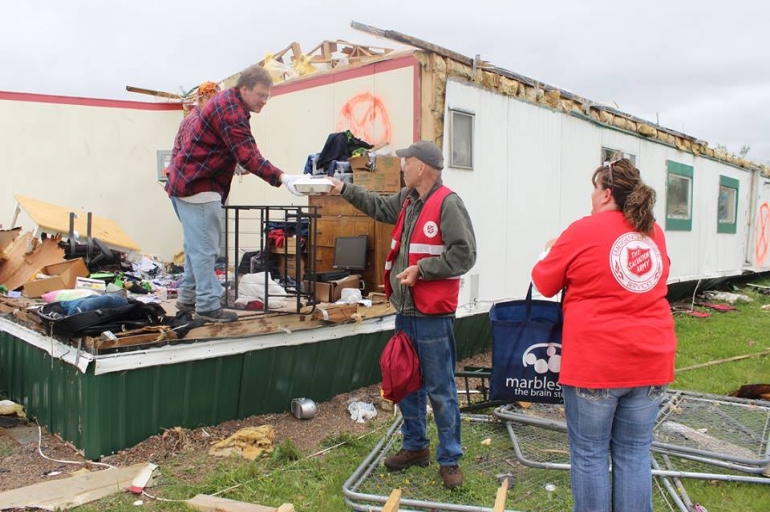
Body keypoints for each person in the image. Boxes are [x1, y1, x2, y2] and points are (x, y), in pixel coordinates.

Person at [328, 140, 477, 489]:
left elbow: (465, 255)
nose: (403, 167)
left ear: (422, 167)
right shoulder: (409, 200)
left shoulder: (448, 204)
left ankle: (450, 459)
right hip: (407, 312)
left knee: (440, 390)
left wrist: (422, 270)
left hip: (433, 315)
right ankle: (415, 447)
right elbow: (380, 206)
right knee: (407, 380)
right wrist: (344, 189)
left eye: (406, 162)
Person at [531, 159, 677, 512]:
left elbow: (544, 281)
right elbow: (660, 279)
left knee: (590, 454)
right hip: (651, 360)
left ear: (606, 193)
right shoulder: (653, 232)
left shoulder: (582, 230)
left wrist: (551, 250)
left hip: (596, 365)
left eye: (594, 190)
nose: (592, 197)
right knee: (634, 452)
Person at [165, 65, 303, 323]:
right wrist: (283, 178)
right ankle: (206, 305)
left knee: (196, 248)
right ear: (244, 89)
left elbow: (227, 149)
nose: (264, 101)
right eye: (261, 95)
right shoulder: (231, 111)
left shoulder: (226, 102)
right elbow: (248, 154)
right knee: (205, 250)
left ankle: (187, 298)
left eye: (268, 97)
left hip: (184, 184)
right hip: (198, 187)